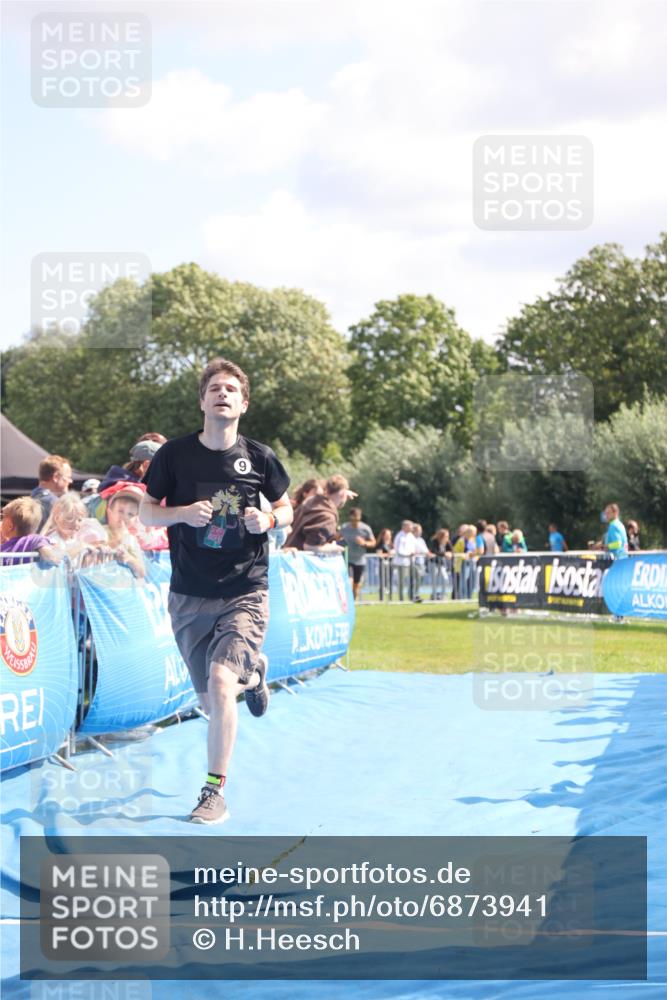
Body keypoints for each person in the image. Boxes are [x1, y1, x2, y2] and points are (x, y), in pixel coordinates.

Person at [139, 358, 292, 825]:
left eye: (231, 389)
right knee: (212, 702)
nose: (222, 394)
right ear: (202, 401)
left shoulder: (260, 457)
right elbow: (146, 513)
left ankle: (213, 792)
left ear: (243, 403)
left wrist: (267, 519)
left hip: (245, 587)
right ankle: (254, 671)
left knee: (222, 686)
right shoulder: (174, 456)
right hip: (189, 594)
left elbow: (287, 508)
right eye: (214, 389)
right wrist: (181, 513)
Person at [286, 474, 353, 551]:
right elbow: (309, 547)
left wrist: (343, 492)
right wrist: (333, 548)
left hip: (286, 555)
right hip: (299, 560)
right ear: (342, 494)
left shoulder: (311, 501)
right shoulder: (327, 517)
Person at [1, 497, 63, 565]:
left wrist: (48, 554)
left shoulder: (28, 540)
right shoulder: (25, 542)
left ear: (10, 525)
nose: (1, 520)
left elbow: (39, 541)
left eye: (3, 517)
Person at [339, 507, 376, 601]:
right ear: (350, 517)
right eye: (354, 517)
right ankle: (348, 601)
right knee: (348, 580)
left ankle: (353, 602)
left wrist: (364, 543)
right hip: (346, 558)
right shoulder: (344, 527)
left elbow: (373, 543)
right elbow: (336, 537)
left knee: (356, 584)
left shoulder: (365, 528)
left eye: (358, 517)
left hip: (360, 560)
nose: (356, 520)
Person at [31, 455, 73, 529]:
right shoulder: (54, 503)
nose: (70, 481)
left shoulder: (30, 499)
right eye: (68, 477)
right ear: (56, 477)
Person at [430, 528, 453, 599]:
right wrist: (445, 554)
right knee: (435, 579)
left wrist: (450, 553)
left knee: (445, 579)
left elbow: (451, 550)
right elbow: (435, 551)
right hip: (434, 563)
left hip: (442, 564)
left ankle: (443, 594)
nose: (447, 538)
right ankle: (434, 595)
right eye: (446, 536)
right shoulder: (435, 541)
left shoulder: (447, 542)